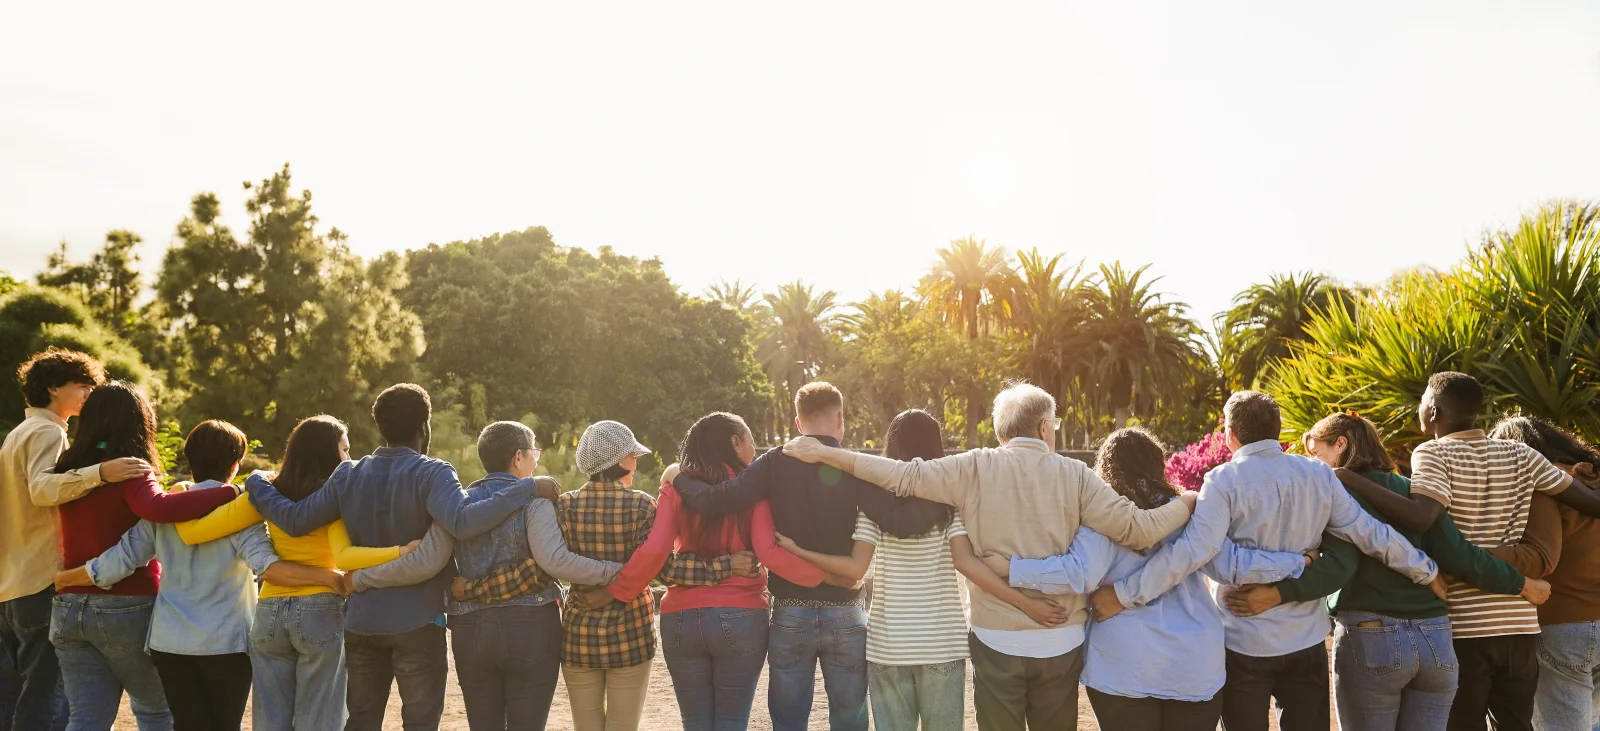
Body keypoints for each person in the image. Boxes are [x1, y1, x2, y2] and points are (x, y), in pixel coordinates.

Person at [779, 382, 1198, 731]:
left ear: (1002, 433)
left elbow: (903, 476)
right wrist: (1192, 499)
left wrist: (828, 453)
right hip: (1060, 637)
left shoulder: (973, 467)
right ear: (1043, 427)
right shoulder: (1077, 476)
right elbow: (1139, 529)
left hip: (995, 637)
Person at [1072, 391, 1442, 731]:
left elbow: (1198, 554)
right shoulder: (1317, 475)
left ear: (1230, 434)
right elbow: (1370, 532)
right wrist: (1425, 571)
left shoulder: (1222, 481)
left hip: (1242, 641)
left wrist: (1124, 594)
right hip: (1306, 638)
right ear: (1278, 429)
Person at [1222, 412, 1548, 731]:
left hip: (1373, 637)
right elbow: (1461, 557)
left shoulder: (1339, 493)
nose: (1315, 462)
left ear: (1340, 444)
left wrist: (1282, 591)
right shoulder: (1413, 491)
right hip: (1435, 639)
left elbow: (1340, 566)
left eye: (1316, 451)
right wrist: (1521, 584)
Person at [243, 384, 541, 731]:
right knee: (419, 722)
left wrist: (256, 481)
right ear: (423, 428)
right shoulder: (434, 472)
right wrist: (526, 488)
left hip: (362, 622)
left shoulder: (348, 474)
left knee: (362, 720)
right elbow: (462, 521)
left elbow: (294, 520)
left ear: (379, 427)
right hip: (419, 622)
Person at [980, 427, 1311, 731]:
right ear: (1158, 465)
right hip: (1194, 665)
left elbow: (1078, 573)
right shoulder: (1191, 512)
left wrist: (1013, 568)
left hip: (1125, 665)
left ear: (1105, 469)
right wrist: (1300, 561)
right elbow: (1234, 566)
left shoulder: (1104, 517)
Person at [668, 383, 956, 731]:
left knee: (788, 719)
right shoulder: (856, 467)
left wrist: (678, 479)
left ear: (798, 423)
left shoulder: (773, 462)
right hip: (846, 612)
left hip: (791, 610)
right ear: (840, 420)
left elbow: (718, 499)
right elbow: (898, 522)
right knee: (849, 717)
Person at [1332, 373, 1600, 731]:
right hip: (1520, 626)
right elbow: (1591, 503)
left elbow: (1423, 517)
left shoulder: (1432, 452)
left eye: (1423, 401)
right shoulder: (1523, 454)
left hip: (1465, 627)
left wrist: (1348, 478)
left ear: (1434, 411)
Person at [777, 409, 1073, 731]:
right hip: (941, 644)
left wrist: (799, 551)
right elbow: (966, 563)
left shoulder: (873, 507)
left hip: (887, 647)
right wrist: (1026, 602)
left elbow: (856, 569)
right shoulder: (950, 505)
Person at [574, 412, 869, 731]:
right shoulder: (752, 491)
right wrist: (828, 577)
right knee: (731, 722)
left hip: (680, 619)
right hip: (740, 616)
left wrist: (616, 590)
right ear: (735, 442)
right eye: (751, 442)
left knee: (696, 723)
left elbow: (655, 551)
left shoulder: (677, 487)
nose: (754, 451)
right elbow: (771, 553)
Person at [338, 421, 638, 731]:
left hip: (471, 630)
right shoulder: (536, 500)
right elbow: (555, 561)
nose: (537, 461)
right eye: (534, 452)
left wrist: (362, 578)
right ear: (518, 457)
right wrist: (617, 572)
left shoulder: (457, 505)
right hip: (530, 625)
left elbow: (426, 562)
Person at [53, 420, 347, 731]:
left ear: (190, 462)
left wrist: (67, 578)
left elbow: (121, 559)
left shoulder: (165, 510)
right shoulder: (240, 512)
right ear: (235, 465)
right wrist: (332, 577)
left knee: (187, 724)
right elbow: (267, 565)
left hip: (170, 643)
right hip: (227, 643)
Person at [160, 415, 417, 731]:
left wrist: (177, 492)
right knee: (319, 720)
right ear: (328, 453)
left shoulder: (266, 494)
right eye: (345, 450)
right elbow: (345, 557)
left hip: (268, 616)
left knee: (270, 721)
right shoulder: (335, 498)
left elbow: (193, 533)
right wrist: (400, 552)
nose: (349, 459)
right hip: (320, 611)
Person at [486, 419, 737, 731]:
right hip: (631, 634)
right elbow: (665, 569)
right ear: (620, 461)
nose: (634, 463)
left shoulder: (563, 506)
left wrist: (478, 588)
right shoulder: (643, 506)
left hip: (579, 637)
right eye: (633, 457)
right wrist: (724, 567)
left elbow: (541, 564)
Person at [50, 382, 241, 731]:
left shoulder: (69, 468)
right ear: (140, 421)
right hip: (125, 605)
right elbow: (158, 508)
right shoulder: (130, 469)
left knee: (86, 719)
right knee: (157, 714)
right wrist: (235, 491)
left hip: (68, 607)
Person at [0, 348, 150, 731]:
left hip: (13, 584)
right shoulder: (48, 431)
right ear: (53, 388)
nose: (89, 395)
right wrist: (101, 472)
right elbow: (42, 490)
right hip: (41, 581)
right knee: (47, 702)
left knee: (17, 698)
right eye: (82, 387)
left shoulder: (17, 434)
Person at [1490, 416, 1600, 731]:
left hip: (1564, 627)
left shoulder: (1542, 484)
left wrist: (1464, 553)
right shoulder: (1591, 479)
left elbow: (1541, 558)